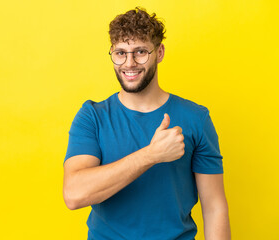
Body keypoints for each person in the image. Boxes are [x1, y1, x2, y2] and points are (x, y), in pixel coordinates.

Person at [63, 7, 231, 240]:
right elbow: (74, 194)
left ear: (159, 52)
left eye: (140, 51)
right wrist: (151, 155)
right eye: (120, 53)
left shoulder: (196, 118)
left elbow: (214, 207)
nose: (129, 63)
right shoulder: (92, 116)